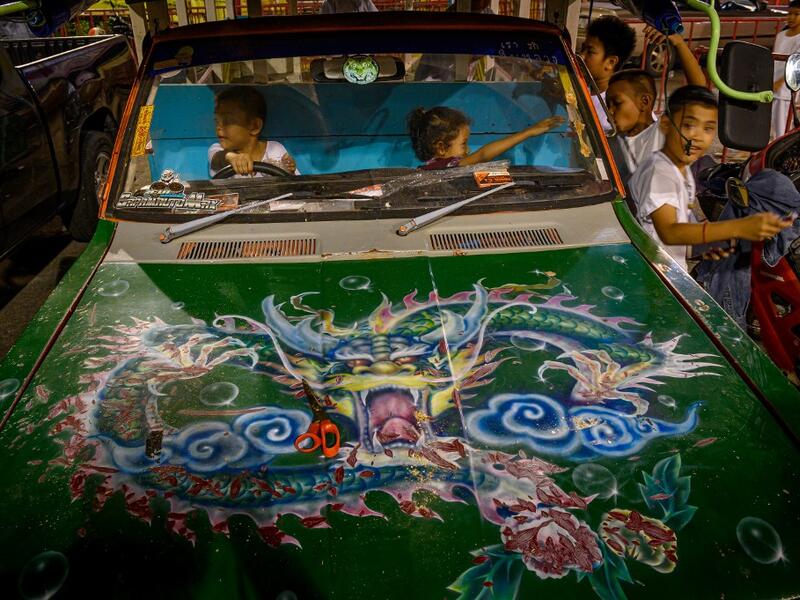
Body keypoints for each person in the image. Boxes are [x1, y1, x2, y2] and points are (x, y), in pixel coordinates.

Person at [628, 85, 793, 272]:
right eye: (688, 125)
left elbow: (678, 238)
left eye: (708, 129)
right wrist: (738, 227)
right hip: (658, 275)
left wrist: (715, 243)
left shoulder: (679, 168)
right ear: (666, 125)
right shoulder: (659, 172)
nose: (698, 136)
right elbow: (669, 232)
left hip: (672, 267)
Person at [605, 27, 707, 178]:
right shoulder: (609, 142)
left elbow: (698, 90)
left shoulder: (663, 133)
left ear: (644, 101)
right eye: (608, 105)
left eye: (617, 103)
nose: (609, 112)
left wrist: (679, 43)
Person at [407, 106, 564, 169]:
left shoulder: (429, 168)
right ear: (441, 148)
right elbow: (483, 154)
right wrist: (528, 132)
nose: (468, 150)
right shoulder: (446, 166)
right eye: (463, 144)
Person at [208, 86, 297, 177]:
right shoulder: (218, 150)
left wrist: (289, 171)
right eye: (216, 121)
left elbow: (294, 182)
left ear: (255, 126)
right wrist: (231, 157)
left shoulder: (275, 150)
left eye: (228, 121)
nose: (218, 127)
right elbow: (218, 159)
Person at [578, 15, 636, 131]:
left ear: (611, 62)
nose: (581, 56)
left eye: (590, 52)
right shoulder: (575, 87)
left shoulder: (621, 108)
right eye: (582, 49)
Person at [771, 0, 800, 140]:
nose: (791, 17)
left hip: (787, 89)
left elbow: (797, 65)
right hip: (773, 85)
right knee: (772, 122)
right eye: (789, 13)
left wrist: (781, 81)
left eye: (796, 14)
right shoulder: (781, 36)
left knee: (782, 127)